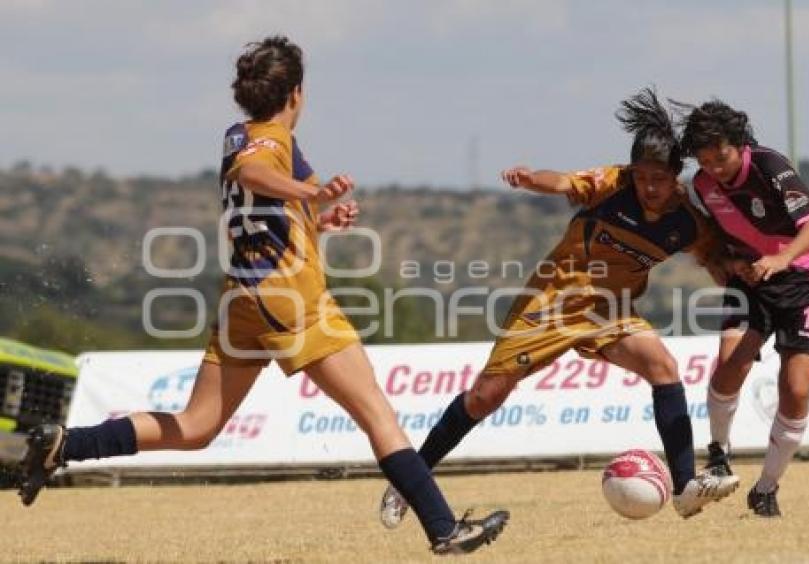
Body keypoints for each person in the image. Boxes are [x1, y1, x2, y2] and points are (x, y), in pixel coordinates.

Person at [16, 35, 508, 555]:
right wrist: (311, 194)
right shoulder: (268, 143)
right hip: (290, 298)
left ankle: (67, 444)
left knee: (195, 425)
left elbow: (264, 199)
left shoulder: (238, 134)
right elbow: (254, 172)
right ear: (296, 93)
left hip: (244, 301)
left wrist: (319, 218)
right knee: (377, 414)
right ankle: (444, 530)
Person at [379, 88, 740, 528]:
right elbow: (565, 182)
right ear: (631, 171)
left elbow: (714, 259)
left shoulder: (686, 221)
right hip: (551, 304)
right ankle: (408, 482)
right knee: (484, 397)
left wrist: (745, 279)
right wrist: (532, 180)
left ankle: (685, 487)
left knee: (662, 365)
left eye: (659, 179)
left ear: (675, 177)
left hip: (607, 312)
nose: (649, 187)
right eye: (642, 176)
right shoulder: (612, 185)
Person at [678, 99, 809, 517]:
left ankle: (765, 488)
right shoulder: (702, 186)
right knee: (731, 364)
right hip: (751, 282)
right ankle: (718, 452)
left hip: (807, 282)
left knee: (795, 390)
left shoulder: (769, 165)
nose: (715, 167)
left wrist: (783, 259)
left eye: (722, 156)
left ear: (740, 144)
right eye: (705, 160)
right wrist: (725, 264)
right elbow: (715, 241)